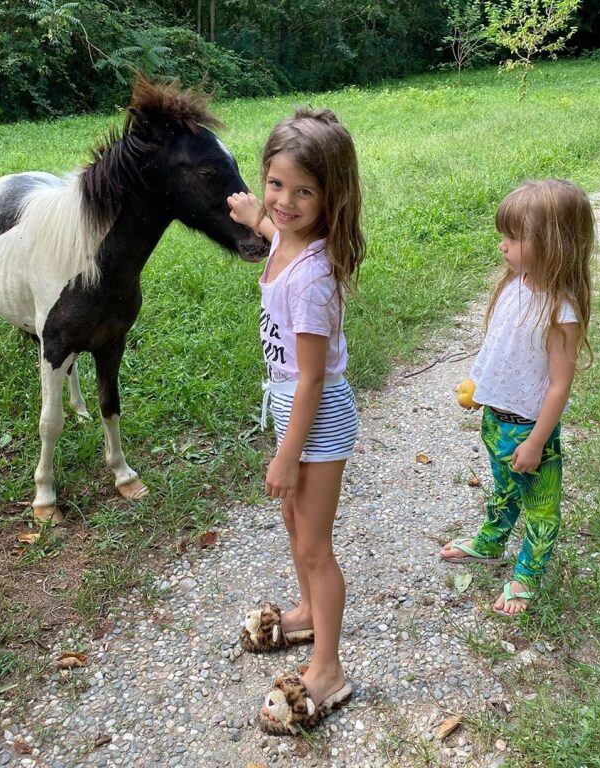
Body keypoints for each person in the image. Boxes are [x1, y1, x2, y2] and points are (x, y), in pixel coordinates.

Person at [227, 106, 366, 733]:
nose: (284, 201)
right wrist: (250, 208)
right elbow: (271, 224)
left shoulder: (311, 279)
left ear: (330, 196)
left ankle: (328, 670)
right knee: (293, 524)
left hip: (315, 414)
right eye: (276, 183)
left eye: (302, 191)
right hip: (292, 406)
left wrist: (287, 453)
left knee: (314, 541)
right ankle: (307, 612)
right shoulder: (287, 237)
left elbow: (312, 378)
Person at [440, 179, 594, 616]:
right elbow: (503, 350)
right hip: (496, 420)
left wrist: (536, 442)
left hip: (529, 429)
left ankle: (526, 575)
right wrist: (478, 386)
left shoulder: (561, 310)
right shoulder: (515, 283)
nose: (502, 245)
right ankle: (491, 543)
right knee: (504, 490)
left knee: (540, 509)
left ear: (554, 244)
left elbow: (558, 386)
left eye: (513, 237)